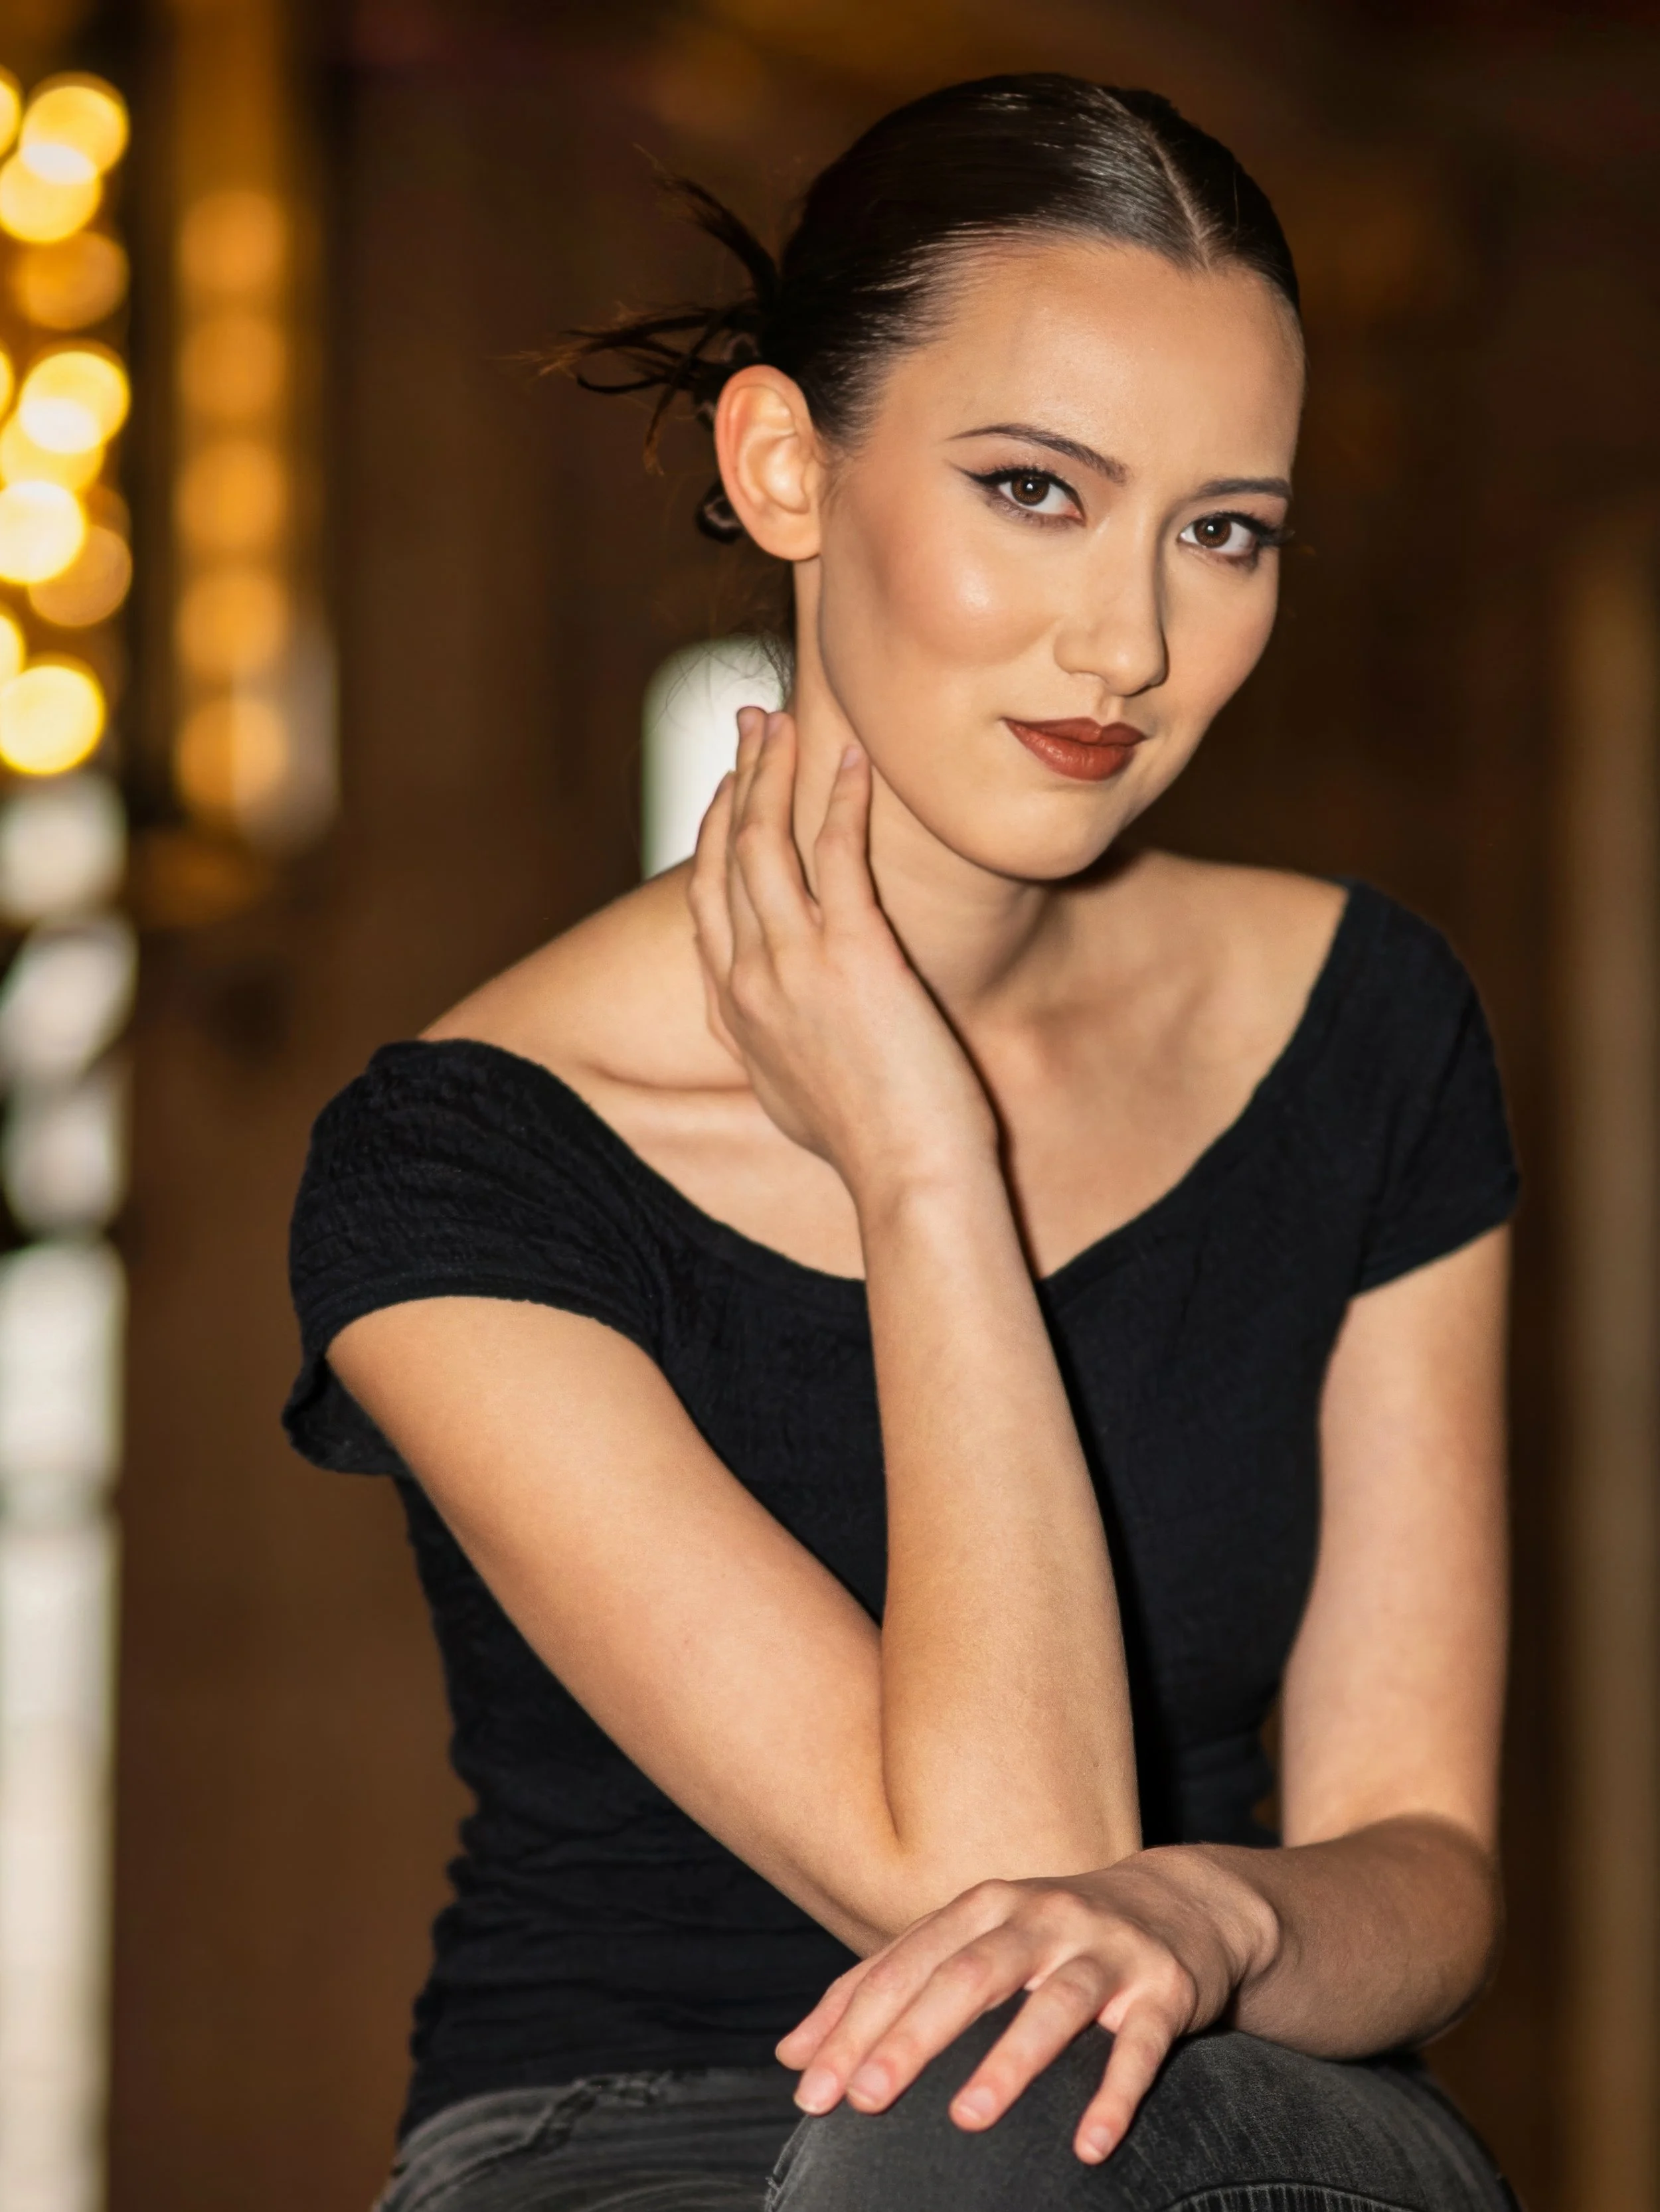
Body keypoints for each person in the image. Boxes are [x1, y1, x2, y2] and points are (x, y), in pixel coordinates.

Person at [285, 74, 1521, 2212]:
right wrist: (920, 1161)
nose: (1129, 643)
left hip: (1218, 2112)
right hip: (612, 2139)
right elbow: (977, 1888)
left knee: (991, 2128)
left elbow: (1414, 1857)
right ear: (785, 464)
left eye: (1221, 530)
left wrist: (1216, 1915)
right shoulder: (463, 1168)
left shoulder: (1362, 1026)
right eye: (1034, 489)